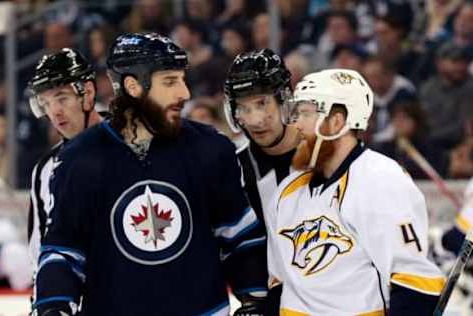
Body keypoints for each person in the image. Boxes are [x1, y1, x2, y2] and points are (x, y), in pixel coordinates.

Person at [31, 33, 267, 316]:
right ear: (133, 86)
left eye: (181, 79)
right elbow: (64, 251)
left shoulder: (210, 148)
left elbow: (240, 236)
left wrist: (256, 301)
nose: (184, 93)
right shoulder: (80, 158)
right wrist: (53, 307)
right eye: (169, 82)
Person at [266, 68, 445, 315]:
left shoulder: (380, 180)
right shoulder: (287, 192)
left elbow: (415, 282)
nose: (295, 124)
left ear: (337, 122)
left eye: (306, 113)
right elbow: (278, 285)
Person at [223, 48, 300, 314]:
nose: (255, 119)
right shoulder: (234, 169)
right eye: (243, 107)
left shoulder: (323, 159)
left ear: (285, 100)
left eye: (262, 103)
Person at [27, 48, 103, 271]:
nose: (54, 112)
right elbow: (40, 251)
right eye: (46, 103)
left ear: (88, 93)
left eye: (62, 98)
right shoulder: (44, 169)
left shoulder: (133, 145)